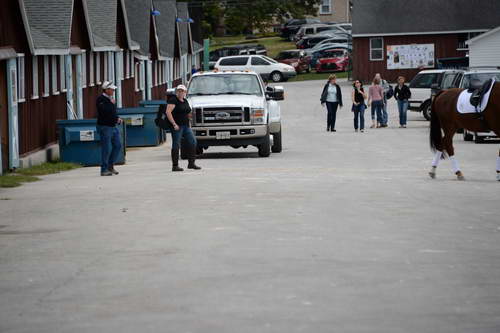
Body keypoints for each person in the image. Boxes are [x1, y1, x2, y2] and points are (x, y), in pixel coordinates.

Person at [165, 85, 201, 172]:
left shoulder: (185, 100)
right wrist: (174, 124)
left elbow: (188, 112)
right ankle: (175, 166)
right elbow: (168, 112)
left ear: (185, 92)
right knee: (176, 144)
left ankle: (191, 163)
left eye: (182, 91)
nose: (181, 93)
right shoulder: (173, 100)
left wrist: (190, 120)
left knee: (192, 141)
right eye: (179, 91)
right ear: (177, 92)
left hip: (186, 126)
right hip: (177, 126)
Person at [96, 81, 122, 176]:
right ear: (106, 90)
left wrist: (117, 118)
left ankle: (110, 166)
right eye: (112, 89)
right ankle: (104, 169)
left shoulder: (111, 99)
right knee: (106, 148)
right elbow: (105, 111)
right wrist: (111, 104)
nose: (113, 91)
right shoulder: (100, 99)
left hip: (113, 126)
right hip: (105, 126)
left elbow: (112, 113)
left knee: (118, 145)